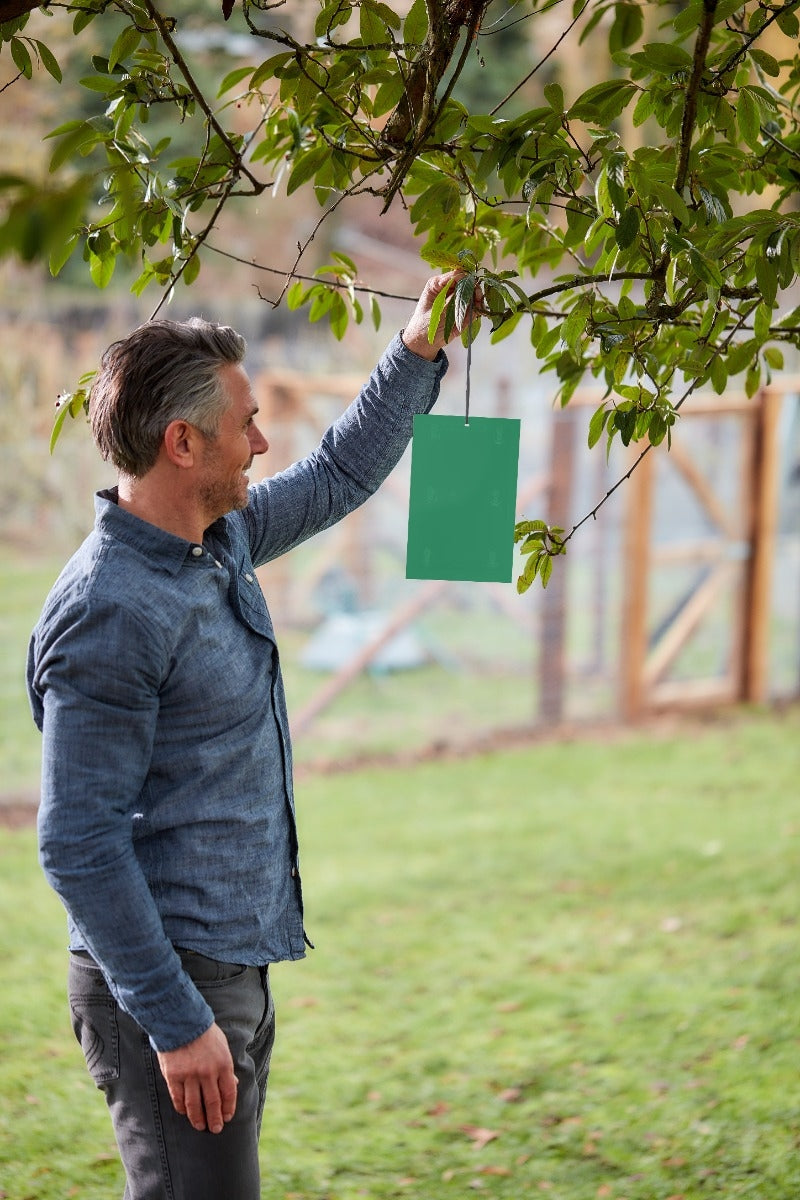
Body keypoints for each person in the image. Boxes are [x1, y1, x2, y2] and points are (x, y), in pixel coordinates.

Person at [26, 272, 464, 1200]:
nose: (263, 442)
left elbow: (342, 472)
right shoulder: (112, 611)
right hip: (168, 983)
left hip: (232, 966)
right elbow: (76, 841)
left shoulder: (214, 540)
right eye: (246, 424)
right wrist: (177, 1022)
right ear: (182, 443)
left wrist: (417, 350)